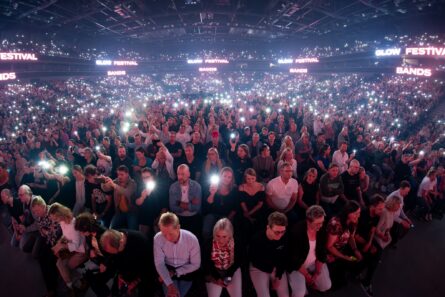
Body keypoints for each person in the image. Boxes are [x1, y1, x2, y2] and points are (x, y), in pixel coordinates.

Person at [153, 212, 201, 297]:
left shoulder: (192, 239)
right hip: (167, 269)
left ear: (178, 227)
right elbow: (159, 263)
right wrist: (169, 284)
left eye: (170, 234)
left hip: (187, 271)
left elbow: (196, 264)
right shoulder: (157, 238)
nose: (167, 238)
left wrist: (175, 272)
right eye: (164, 234)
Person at [287, 206, 331, 297]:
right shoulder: (296, 232)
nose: (321, 226)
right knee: (299, 294)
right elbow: (295, 260)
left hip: (314, 263)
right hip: (298, 266)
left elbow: (322, 251)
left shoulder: (321, 229)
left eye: (322, 222)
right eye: (317, 223)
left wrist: (316, 273)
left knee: (326, 286)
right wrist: (308, 277)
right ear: (308, 221)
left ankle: (308, 284)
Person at [100, 228, 154, 297]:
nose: (114, 254)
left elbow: (149, 268)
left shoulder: (141, 242)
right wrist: (120, 277)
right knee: (115, 292)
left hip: (144, 273)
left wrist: (135, 282)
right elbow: (116, 261)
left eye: (116, 252)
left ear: (121, 242)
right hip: (126, 273)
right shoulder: (116, 238)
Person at [48, 203, 88, 291]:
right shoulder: (62, 221)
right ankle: (71, 283)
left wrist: (62, 245)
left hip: (81, 250)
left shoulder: (73, 225)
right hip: (71, 248)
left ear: (61, 215)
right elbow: (65, 235)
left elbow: (76, 245)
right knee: (59, 263)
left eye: (56, 218)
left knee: (66, 267)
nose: (55, 221)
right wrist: (58, 244)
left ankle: (76, 282)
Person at [249, 212, 289, 297]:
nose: (280, 235)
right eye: (277, 232)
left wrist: (278, 276)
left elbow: (284, 257)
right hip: (259, 269)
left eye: (283, 231)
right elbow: (256, 262)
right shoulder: (256, 239)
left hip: (276, 268)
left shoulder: (285, 237)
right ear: (268, 227)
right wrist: (271, 274)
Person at [75, 212, 114, 297]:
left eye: (82, 231)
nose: (81, 234)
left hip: (110, 262)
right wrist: (91, 250)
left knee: (95, 282)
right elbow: (91, 246)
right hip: (99, 260)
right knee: (87, 275)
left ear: (87, 227)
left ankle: (108, 294)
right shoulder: (88, 234)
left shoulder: (104, 233)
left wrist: (105, 263)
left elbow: (113, 252)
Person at [326, 200, 363, 289]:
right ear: (347, 213)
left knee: (360, 257)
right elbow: (329, 246)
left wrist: (355, 250)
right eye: (355, 213)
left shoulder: (353, 221)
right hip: (330, 252)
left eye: (359, 213)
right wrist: (343, 257)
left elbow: (351, 237)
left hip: (342, 247)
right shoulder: (336, 224)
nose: (358, 216)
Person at [202, 218, 244, 297]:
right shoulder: (208, 243)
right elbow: (206, 263)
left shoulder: (237, 243)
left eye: (224, 236)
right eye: (218, 236)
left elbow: (238, 261)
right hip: (214, 271)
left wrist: (229, 276)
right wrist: (217, 278)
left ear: (230, 235)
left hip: (231, 270)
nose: (221, 240)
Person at [30, 196, 62, 297]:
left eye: (36, 210)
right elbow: (42, 231)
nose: (35, 213)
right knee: (40, 258)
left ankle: (52, 289)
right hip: (48, 240)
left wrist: (46, 231)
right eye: (34, 212)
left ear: (42, 206)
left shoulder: (52, 212)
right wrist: (46, 231)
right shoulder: (39, 217)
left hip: (58, 241)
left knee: (48, 261)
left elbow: (57, 232)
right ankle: (51, 285)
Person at [355, 195, 385, 297]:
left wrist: (370, 243)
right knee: (371, 255)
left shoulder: (377, 215)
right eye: (380, 208)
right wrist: (366, 244)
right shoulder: (362, 214)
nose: (382, 211)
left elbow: (372, 230)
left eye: (383, 209)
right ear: (372, 206)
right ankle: (360, 275)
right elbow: (354, 235)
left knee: (378, 251)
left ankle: (365, 280)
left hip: (366, 239)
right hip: (356, 240)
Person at [203, 167, 238, 241]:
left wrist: (227, 219)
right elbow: (208, 204)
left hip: (226, 215)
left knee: (225, 232)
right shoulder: (213, 186)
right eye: (224, 176)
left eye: (229, 177)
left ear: (232, 179)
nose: (226, 179)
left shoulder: (234, 190)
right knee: (206, 231)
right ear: (220, 176)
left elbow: (235, 208)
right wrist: (212, 193)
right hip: (212, 213)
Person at [169, 164, 202, 237]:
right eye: (178, 174)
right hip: (179, 217)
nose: (180, 177)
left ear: (188, 174)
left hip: (194, 217)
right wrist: (190, 204)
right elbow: (172, 207)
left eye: (182, 174)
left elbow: (197, 207)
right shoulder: (173, 187)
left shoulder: (196, 186)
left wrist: (179, 203)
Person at [102, 165, 138, 230]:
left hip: (131, 212)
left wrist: (114, 185)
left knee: (133, 231)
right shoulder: (116, 181)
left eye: (122, 174)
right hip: (119, 212)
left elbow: (127, 192)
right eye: (118, 174)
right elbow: (105, 189)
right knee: (111, 230)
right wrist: (104, 182)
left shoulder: (132, 183)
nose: (119, 176)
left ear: (127, 174)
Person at [239, 168, 266, 236]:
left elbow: (260, 204)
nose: (250, 181)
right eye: (248, 179)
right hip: (245, 210)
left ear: (255, 178)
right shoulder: (241, 187)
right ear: (245, 178)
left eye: (252, 178)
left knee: (259, 225)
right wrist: (247, 214)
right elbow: (242, 202)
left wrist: (250, 213)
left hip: (257, 209)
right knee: (245, 226)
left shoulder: (261, 186)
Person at [135, 167, 161, 236]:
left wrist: (159, 217)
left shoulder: (159, 187)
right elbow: (137, 202)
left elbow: (164, 205)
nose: (145, 180)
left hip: (157, 217)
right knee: (142, 237)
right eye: (143, 178)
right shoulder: (140, 187)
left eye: (147, 177)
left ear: (152, 176)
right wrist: (143, 197)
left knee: (159, 237)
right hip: (144, 217)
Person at [386, 180, 413, 247]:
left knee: (405, 227)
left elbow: (400, 210)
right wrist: (402, 221)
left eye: (408, 192)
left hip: (396, 218)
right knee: (395, 233)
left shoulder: (401, 195)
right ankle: (389, 243)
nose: (407, 194)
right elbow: (390, 214)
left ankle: (392, 242)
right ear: (401, 188)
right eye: (406, 192)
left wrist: (406, 218)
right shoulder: (394, 197)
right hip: (389, 219)